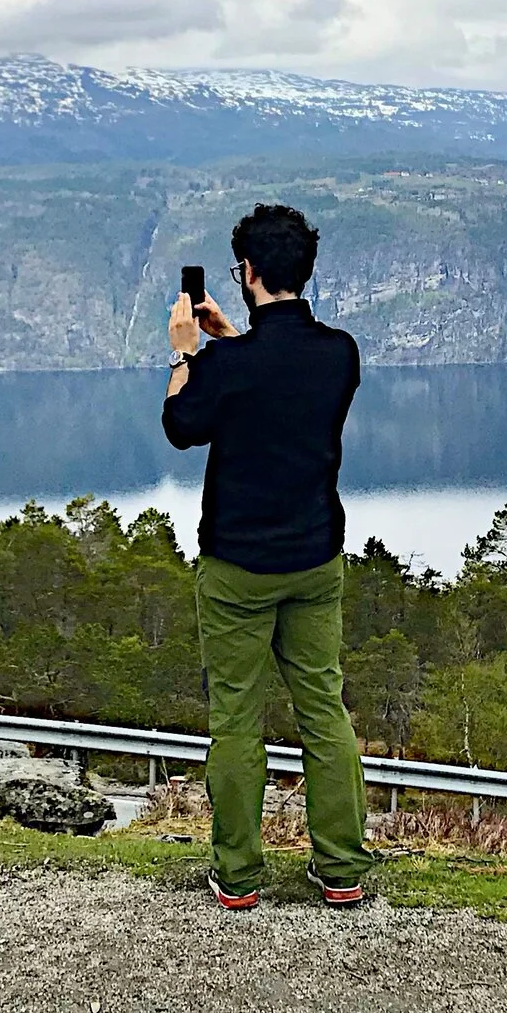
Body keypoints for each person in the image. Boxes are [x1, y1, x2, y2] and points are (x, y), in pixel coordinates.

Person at [162, 202, 371, 910]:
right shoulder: (339, 354)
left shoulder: (229, 367)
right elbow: (276, 374)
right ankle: (341, 869)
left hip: (237, 571)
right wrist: (231, 342)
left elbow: (182, 425)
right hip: (315, 561)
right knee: (323, 709)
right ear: (302, 270)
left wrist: (189, 353)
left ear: (247, 272)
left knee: (237, 720)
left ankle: (241, 877)